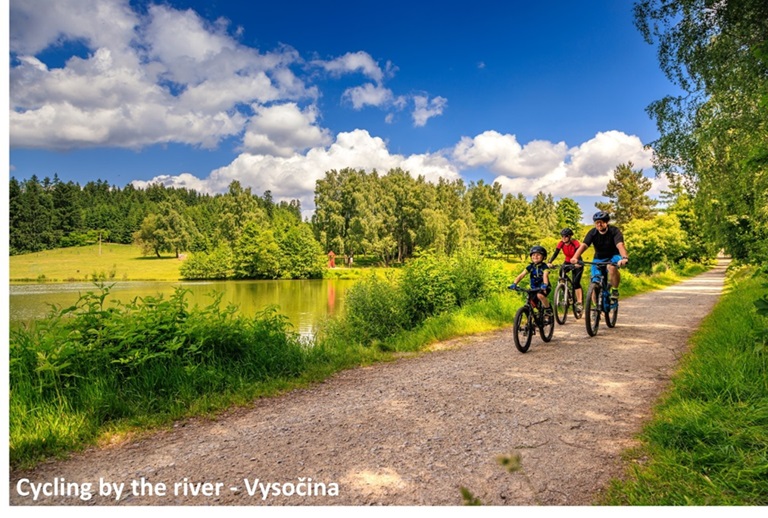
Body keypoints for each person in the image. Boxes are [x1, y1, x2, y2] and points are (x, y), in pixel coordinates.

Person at [570, 211, 629, 302]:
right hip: (598, 258)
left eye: (601, 222)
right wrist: (575, 257)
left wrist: (624, 257)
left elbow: (620, 245)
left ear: (606, 222)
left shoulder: (614, 231)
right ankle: (594, 309)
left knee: (612, 267)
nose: (599, 224)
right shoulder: (592, 233)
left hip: (613, 256)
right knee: (594, 281)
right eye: (597, 222)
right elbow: (584, 245)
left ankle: (614, 290)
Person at [509, 245, 553, 320]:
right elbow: (521, 275)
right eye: (533, 255)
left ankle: (548, 309)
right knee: (531, 303)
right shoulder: (530, 267)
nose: (535, 256)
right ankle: (533, 320)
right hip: (534, 288)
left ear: (543, 257)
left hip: (544, 287)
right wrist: (514, 283)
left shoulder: (544, 267)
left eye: (538, 255)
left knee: (540, 295)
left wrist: (545, 284)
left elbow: (545, 276)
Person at [547, 228, 584, 312]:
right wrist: (550, 262)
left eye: (566, 236)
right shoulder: (561, 243)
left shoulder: (575, 243)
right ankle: (567, 290)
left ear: (570, 236)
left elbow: (579, 252)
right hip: (567, 261)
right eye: (562, 236)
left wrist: (577, 262)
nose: (564, 238)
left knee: (576, 282)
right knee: (561, 273)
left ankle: (579, 303)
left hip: (577, 261)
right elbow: (555, 253)